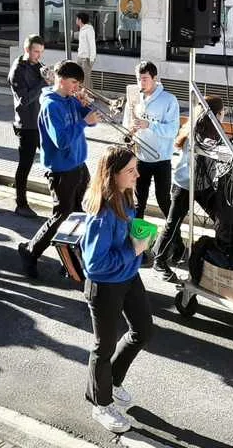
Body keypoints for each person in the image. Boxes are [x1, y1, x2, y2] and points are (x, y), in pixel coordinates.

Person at [80, 145, 154, 434]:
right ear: (112, 175)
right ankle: (101, 403)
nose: (137, 175)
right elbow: (94, 264)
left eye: (136, 168)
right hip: (105, 287)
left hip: (129, 278)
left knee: (143, 330)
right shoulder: (101, 214)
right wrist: (133, 251)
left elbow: (127, 232)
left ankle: (111, 381)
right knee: (104, 347)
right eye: (131, 170)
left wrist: (140, 236)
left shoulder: (125, 195)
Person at [18, 60, 98, 279]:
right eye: (74, 83)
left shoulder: (70, 99)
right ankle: (30, 252)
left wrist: (85, 106)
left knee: (80, 215)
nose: (77, 87)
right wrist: (83, 122)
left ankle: (71, 259)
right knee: (62, 216)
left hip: (79, 165)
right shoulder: (51, 106)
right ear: (61, 80)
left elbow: (92, 122)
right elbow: (61, 140)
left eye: (79, 84)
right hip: (61, 170)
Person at [152, 95, 225, 282]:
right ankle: (159, 260)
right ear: (216, 114)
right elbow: (208, 147)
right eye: (222, 112)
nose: (224, 115)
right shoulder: (197, 130)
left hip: (203, 184)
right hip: (185, 184)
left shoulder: (213, 129)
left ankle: (220, 254)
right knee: (173, 222)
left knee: (222, 217)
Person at [127, 61, 181, 254]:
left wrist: (149, 125)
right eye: (138, 79)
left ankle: (177, 243)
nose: (140, 83)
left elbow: (173, 130)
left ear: (154, 78)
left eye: (144, 79)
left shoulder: (169, 100)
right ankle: (138, 247)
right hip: (140, 156)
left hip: (161, 159)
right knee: (138, 203)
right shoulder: (135, 97)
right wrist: (131, 129)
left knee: (164, 201)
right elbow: (129, 124)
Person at [7, 34, 51, 218]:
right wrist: (43, 83)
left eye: (41, 52)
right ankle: (21, 203)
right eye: (36, 52)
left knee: (52, 159)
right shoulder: (17, 71)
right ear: (27, 49)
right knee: (25, 165)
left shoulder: (37, 66)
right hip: (27, 125)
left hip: (41, 121)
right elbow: (24, 100)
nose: (39, 56)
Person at [76, 12, 97, 83]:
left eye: (77, 19)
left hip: (86, 59)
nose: (76, 20)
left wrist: (92, 59)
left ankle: (87, 90)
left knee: (85, 79)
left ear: (80, 20)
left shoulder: (89, 30)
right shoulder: (82, 29)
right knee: (79, 78)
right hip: (80, 57)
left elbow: (92, 44)